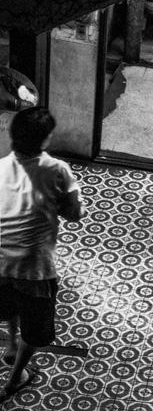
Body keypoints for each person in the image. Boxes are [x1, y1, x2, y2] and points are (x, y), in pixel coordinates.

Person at [0, 108, 86, 402]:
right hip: (34, 268)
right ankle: (14, 381)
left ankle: (9, 345)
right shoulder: (56, 169)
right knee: (35, 331)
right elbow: (74, 213)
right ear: (46, 139)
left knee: (8, 305)